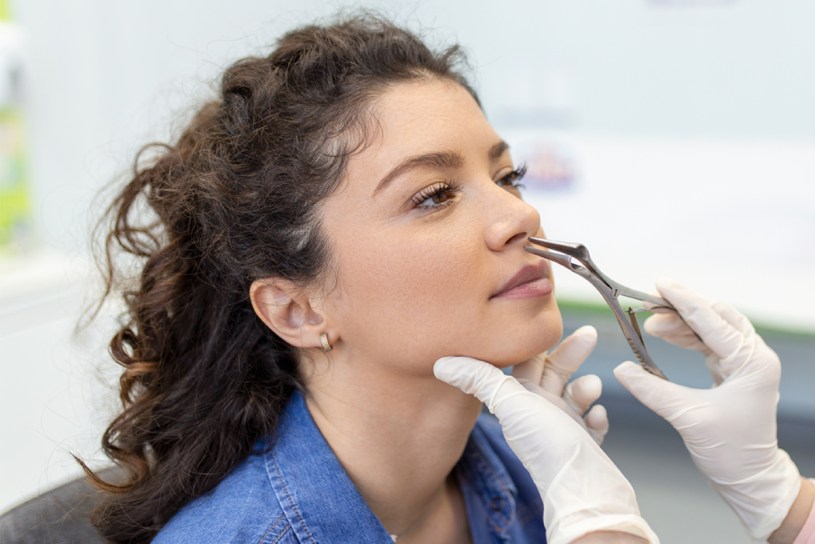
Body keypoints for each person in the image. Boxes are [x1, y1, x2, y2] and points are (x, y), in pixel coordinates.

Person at [86, 13, 656, 544]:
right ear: (297, 310)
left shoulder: (529, 475)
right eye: (434, 196)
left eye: (508, 177)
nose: (520, 215)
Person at [437, 280, 815, 543]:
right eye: (435, 197)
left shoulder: (519, 476)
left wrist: (777, 493)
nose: (524, 213)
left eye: (511, 188)